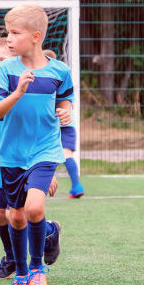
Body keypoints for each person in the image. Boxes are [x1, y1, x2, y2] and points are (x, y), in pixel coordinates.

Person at [0, 5, 73, 285]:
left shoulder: (60, 71)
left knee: (35, 209)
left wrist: (65, 113)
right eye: (7, 32)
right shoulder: (6, 71)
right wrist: (18, 91)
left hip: (45, 149)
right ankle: (20, 275)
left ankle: (37, 269)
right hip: (11, 154)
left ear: (35, 37)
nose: (8, 39)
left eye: (14, 33)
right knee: (17, 217)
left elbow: (65, 100)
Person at [0, 38, 62, 281]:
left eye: (2, 60)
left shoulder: (27, 94)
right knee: (0, 214)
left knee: (17, 214)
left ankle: (45, 235)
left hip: (27, 164)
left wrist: (47, 172)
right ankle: (12, 258)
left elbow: (43, 132)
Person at [43, 49, 85, 199]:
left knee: (52, 155)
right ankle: (76, 186)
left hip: (58, 126)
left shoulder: (53, 79)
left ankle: (75, 186)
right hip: (67, 126)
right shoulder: (60, 79)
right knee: (66, 154)